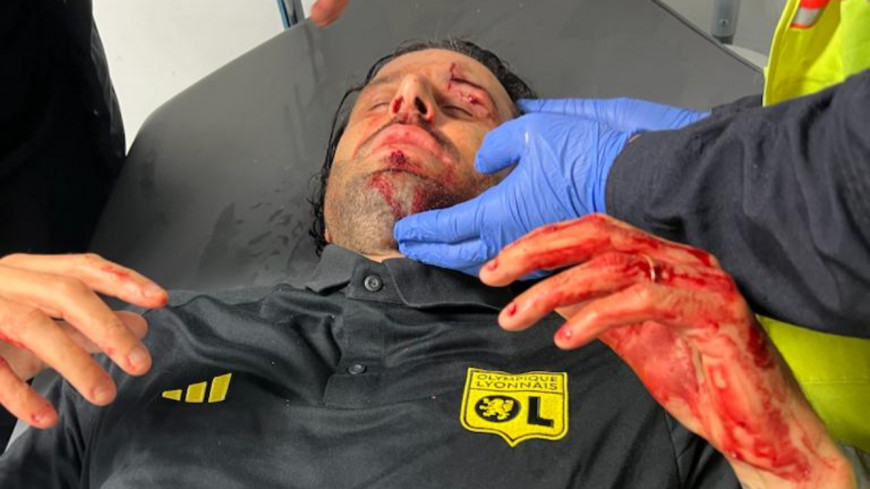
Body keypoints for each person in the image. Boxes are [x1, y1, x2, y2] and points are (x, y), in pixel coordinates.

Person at [0, 40, 866, 489]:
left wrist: (797, 460)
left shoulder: (648, 354)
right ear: (327, 186)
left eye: (464, 101)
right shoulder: (128, 340)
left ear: (534, 170)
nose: (411, 99)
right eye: (378, 101)